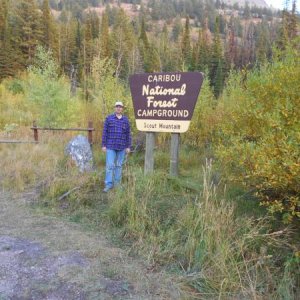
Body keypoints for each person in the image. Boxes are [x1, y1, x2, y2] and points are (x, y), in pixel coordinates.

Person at [101, 101, 131, 192]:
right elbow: (104, 132)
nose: (119, 108)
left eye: (120, 107)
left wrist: (128, 146)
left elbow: (128, 134)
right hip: (110, 146)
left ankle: (117, 184)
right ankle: (108, 184)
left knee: (118, 166)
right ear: (115, 108)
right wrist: (103, 145)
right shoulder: (109, 118)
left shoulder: (126, 120)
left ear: (122, 109)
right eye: (117, 106)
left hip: (122, 147)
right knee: (110, 166)